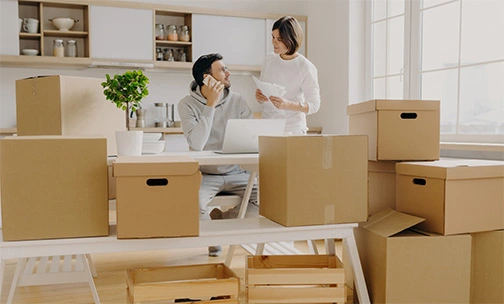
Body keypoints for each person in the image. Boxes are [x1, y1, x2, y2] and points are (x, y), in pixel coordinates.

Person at [178, 53, 258, 257]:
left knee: (269, 199)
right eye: (222, 70)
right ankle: (213, 240)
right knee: (190, 202)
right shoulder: (186, 104)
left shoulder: (238, 101)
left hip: (237, 172)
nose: (228, 73)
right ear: (207, 78)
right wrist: (210, 105)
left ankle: (221, 222)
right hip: (206, 175)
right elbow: (197, 145)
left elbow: (251, 137)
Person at [256, 16, 321, 135]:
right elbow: (263, 93)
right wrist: (260, 96)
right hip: (267, 127)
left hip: (292, 130)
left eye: (279, 39)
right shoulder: (269, 60)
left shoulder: (305, 67)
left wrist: (288, 105)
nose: (274, 42)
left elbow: (314, 105)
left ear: (291, 39)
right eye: (273, 37)